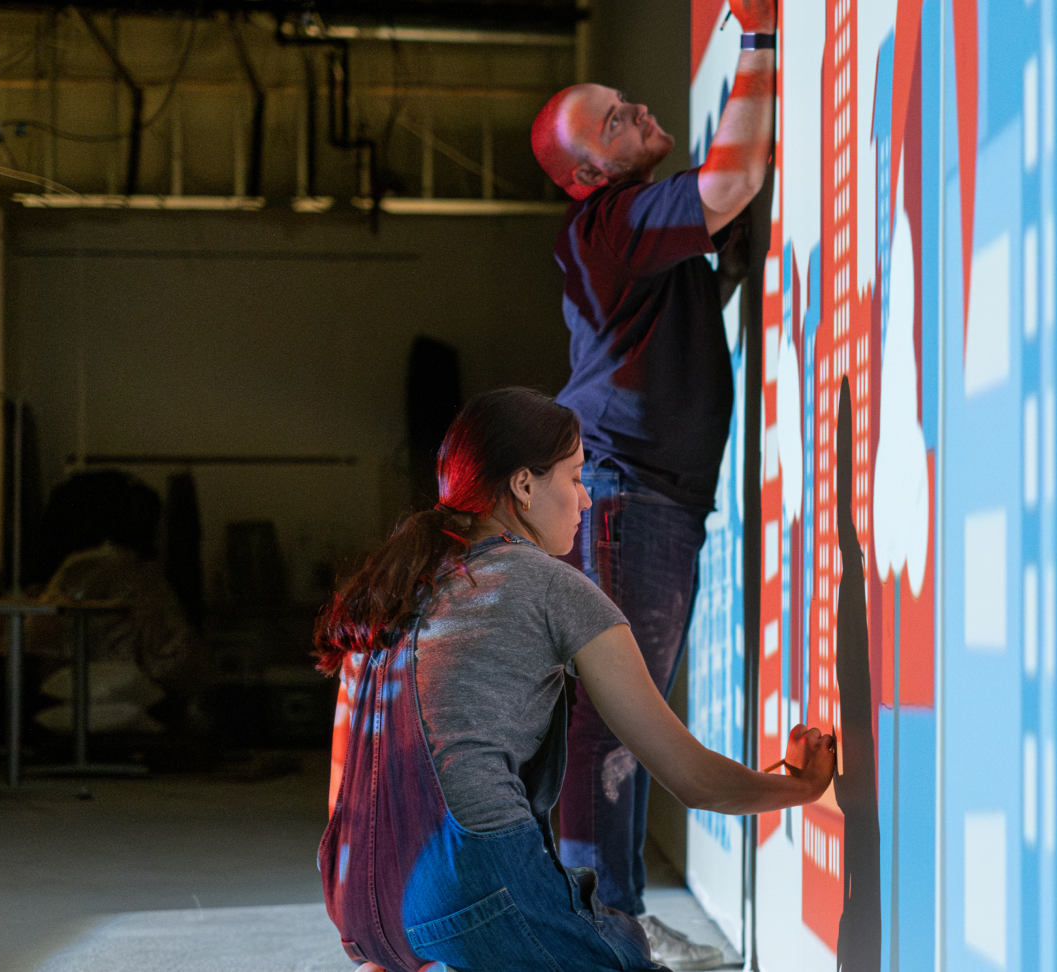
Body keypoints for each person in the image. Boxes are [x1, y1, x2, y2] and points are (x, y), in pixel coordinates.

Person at [317, 387, 834, 972]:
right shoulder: (549, 586)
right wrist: (800, 788)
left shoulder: (391, 586)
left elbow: (344, 786)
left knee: (606, 926)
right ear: (524, 486)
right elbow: (692, 779)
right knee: (626, 950)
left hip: (357, 900)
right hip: (469, 893)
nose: (587, 498)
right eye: (575, 476)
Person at [526, 0, 776, 960]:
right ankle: (607, 923)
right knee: (614, 720)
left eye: (625, 100)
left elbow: (720, 211)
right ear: (591, 171)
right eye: (613, 120)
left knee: (616, 719)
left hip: (642, 494)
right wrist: (756, 38)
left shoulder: (626, 231)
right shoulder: (614, 221)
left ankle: (605, 915)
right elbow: (730, 183)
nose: (634, 111)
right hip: (631, 498)